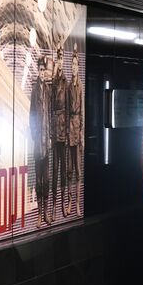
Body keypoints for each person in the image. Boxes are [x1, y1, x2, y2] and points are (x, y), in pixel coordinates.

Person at [30, 56, 52, 227]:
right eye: (41, 70)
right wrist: (35, 136)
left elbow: (50, 116)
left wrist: (50, 137)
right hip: (38, 142)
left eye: (45, 70)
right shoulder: (35, 90)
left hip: (47, 141)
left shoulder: (48, 90)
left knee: (46, 178)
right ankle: (39, 214)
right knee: (38, 180)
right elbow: (32, 117)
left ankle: (45, 212)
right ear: (38, 71)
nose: (43, 73)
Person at [51, 45, 69, 219]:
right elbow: (50, 108)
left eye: (62, 59)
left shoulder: (65, 82)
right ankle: (54, 207)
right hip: (55, 129)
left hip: (64, 130)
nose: (60, 62)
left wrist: (69, 132)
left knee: (63, 170)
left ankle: (63, 204)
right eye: (58, 59)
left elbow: (69, 109)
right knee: (55, 170)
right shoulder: (54, 81)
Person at [67, 48, 83, 216]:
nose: (73, 67)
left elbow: (82, 112)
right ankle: (70, 201)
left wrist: (82, 134)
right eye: (71, 65)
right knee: (69, 170)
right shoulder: (68, 86)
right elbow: (65, 108)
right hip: (69, 130)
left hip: (77, 130)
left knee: (78, 171)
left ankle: (77, 203)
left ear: (78, 67)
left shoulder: (79, 87)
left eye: (75, 65)